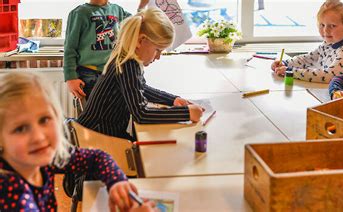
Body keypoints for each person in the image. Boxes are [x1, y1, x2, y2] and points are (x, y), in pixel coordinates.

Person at [0, 72, 155, 211]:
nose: (39, 137)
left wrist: (117, 182)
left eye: (44, 119)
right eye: (20, 129)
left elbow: (97, 158)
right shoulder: (13, 195)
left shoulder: (42, 158)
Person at [78, 8, 204, 140]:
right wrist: (186, 113)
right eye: (158, 50)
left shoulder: (127, 58)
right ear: (141, 40)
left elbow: (141, 88)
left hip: (99, 133)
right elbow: (141, 114)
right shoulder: (128, 64)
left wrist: (173, 99)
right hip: (96, 138)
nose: (158, 57)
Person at [64, 0, 149, 99]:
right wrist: (71, 78)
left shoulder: (118, 10)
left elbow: (137, 23)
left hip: (113, 72)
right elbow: (70, 48)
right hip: (89, 73)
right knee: (97, 109)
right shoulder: (79, 13)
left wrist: (142, 6)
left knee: (115, 108)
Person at [271, 0, 343, 83]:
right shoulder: (327, 44)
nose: (326, 30)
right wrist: (285, 63)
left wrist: (290, 71)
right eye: (322, 25)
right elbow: (307, 59)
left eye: (332, 26)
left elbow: (328, 76)